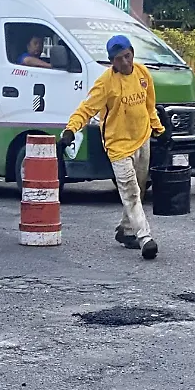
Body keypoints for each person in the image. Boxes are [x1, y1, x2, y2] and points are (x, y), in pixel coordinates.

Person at [60, 35, 170, 260]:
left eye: (127, 56)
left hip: (142, 139)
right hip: (117, 145)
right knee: (130, 191)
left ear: (132, 52)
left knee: (137, 188)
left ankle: (126, 230)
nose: (125, 63)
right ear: (112, 62)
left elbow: (149, 106)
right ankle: (145, 237)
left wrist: (159, 129)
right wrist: (71, 130)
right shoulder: (106, 83)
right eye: (119, 59)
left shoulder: (142, 74)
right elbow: (86, 108)